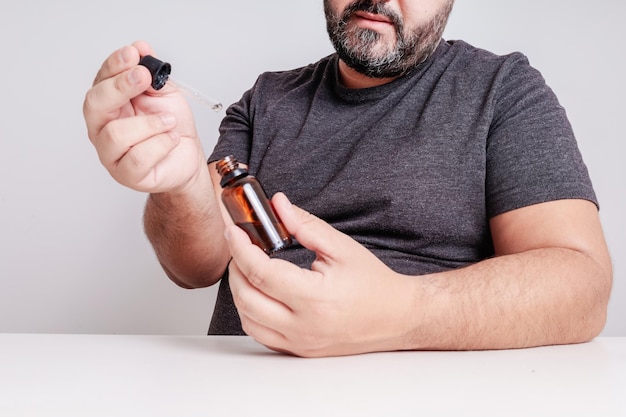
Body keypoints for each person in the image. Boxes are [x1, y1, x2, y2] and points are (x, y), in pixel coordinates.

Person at [83, 0, 612, 357]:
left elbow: (581, 287)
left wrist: (400, 312)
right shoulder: (265, 100)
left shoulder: (502, 90)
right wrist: (176, 184)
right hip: (239, 391)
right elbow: (195, 266)